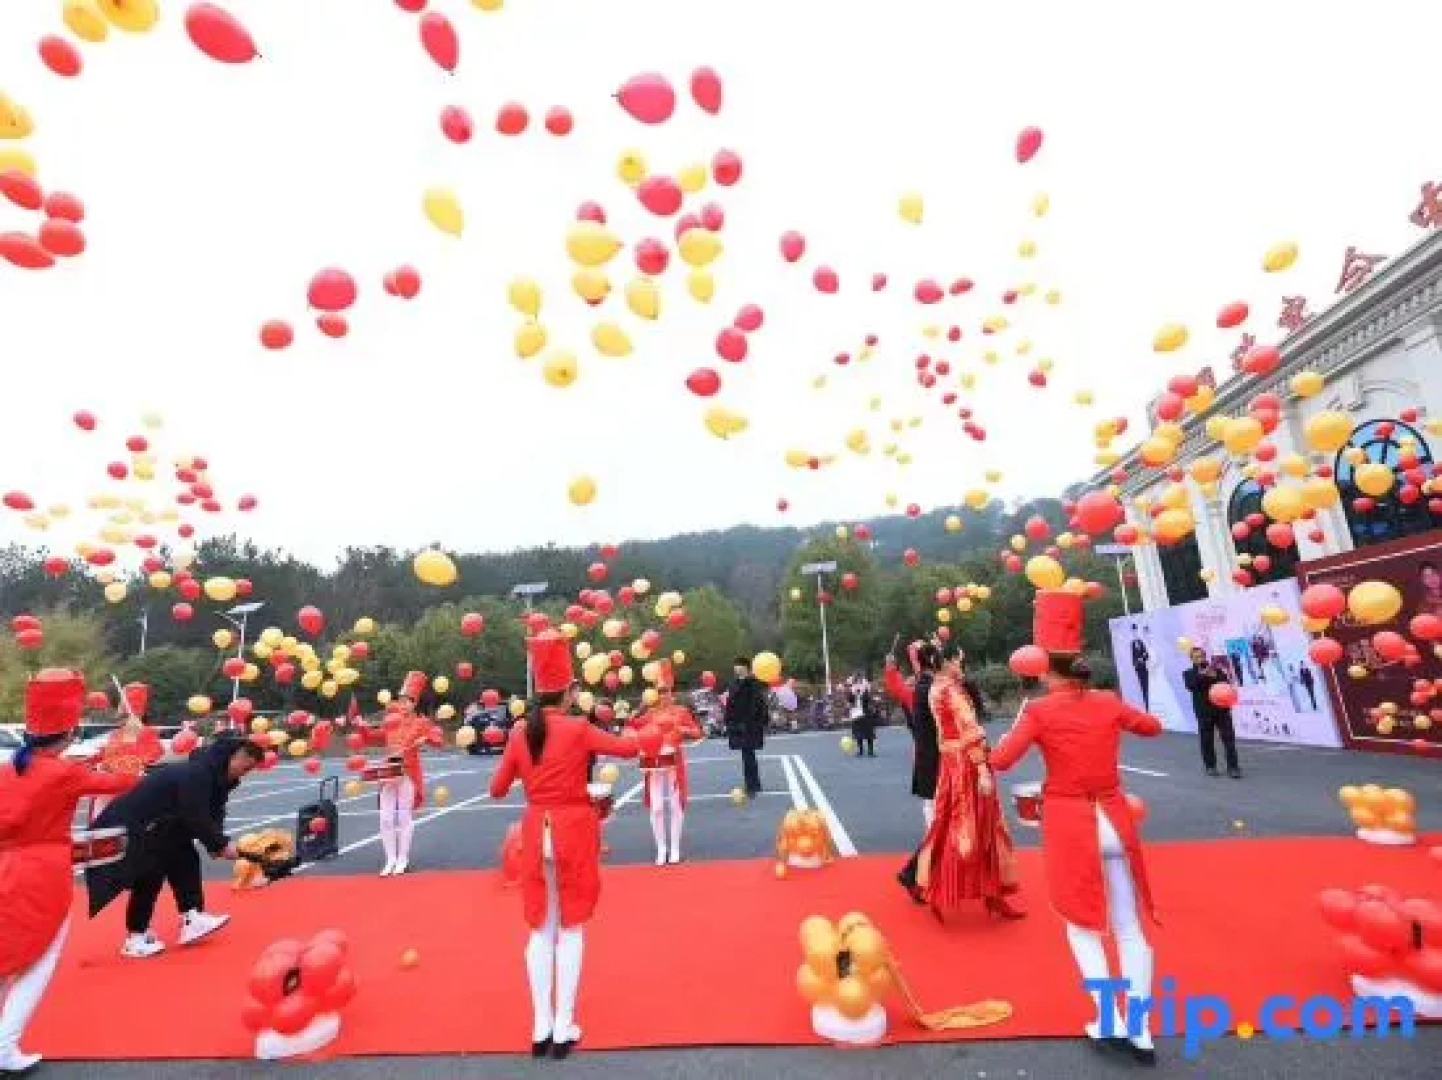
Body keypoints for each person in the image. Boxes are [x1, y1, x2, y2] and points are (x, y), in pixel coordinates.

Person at [991, 589, 1164, 1066]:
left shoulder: (1040, 711)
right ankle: (1142, 1029)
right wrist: (1114, 710)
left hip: (1073, 825)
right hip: (1115, 820)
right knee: (1130, 928)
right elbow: (1151, 727)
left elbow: (1001, 761)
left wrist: (1010, 731)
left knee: (1083, 927)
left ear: (1044, 666)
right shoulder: (1107, 701)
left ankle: (1107, 1020)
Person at [489, 630, 662, 1059]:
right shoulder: (577, 728)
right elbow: (626, 748)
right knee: (571, 927)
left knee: (540, 929)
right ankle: (564, 1027)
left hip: (535, 830)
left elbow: (496, 789)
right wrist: (650, 733)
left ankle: (540, 1027)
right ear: (568, 692)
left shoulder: (518, 733)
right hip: (572, 830)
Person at [1, 670, 141, 1074]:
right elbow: (123, 781)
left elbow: (76, 767)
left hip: (6, 868)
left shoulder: (13, 767)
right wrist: (130, 740)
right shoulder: (61, 773)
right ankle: (5, 1047)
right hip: (41, 874)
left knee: (6, 956)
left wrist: (112, 745)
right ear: (69, 732)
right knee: (37, 962)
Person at [86, 734, 263, 958]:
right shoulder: (197, 774)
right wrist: (221, 844)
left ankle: (192, 917)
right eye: (245, 764)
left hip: (161, 827)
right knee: (150, 876)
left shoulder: (216, 780)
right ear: (232, 756)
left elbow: (213, 812)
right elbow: (195, 814)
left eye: (250, 769)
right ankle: (136, 937)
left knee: (185, 857)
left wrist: (216, 845)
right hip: (134, 826)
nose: (245, 772)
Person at [905, 640, 1023, 920]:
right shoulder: (949, 690)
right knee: (972, 828)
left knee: (951, 825)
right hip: (966, 765)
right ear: (944, 662)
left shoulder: (936, 688)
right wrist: (982, 767)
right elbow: (970, 729)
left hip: (951, 764)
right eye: (958, 661)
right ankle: (949, 889)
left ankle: (983, 893)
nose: (961, 666)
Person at [365, 672, 444, 876]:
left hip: (408, 773)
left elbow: (438, 740)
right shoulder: (391, 720)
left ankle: (403, 857)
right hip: (388, 772)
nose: (403, 704)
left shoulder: (421, 722)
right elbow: (373, 737)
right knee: (385, 818)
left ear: (414, 703)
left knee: (404, 817)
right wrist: (360, 727)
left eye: (407, 701)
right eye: (400, 700)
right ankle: (390, 858)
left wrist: (425, 739)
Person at [627, 662, 702, 865]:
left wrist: (686, 731)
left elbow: (698, 732)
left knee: (676, 805)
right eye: (659, 691)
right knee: (657, 807)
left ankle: (675, 848)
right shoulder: (650, 713)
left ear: (672, 691)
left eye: (666, 691)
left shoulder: (681, 711)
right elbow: (630, 724)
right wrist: (640, 707)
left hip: (674, 763)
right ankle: (661, 848)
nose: (663, 695)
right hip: (653, 764)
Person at [884, 642, 940, 828]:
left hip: (930, 751)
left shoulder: (917, 693)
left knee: (932, 799)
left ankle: (936, 833)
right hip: (938, 750)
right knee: (936, 798)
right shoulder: (924, 692)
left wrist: (892, 668)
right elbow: (897, 685)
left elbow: (896, 685)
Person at [91, 682, 163, 820]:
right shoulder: (116, 733)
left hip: (129, 789)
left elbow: (152, 755)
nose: (119, 711)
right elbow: (107, 755)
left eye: (122, 705)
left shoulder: (146, 732)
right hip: (107, 786)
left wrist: (133, 740)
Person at [1182, 648, 1241, 778]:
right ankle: (1210, 766)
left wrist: (1215, 675)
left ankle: (1233, 767)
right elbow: (1191, 685)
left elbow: (1226, 683)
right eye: (1196, 657)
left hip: (1222, 710)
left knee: (1228, 738)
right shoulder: (1188, 673)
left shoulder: (1217, 671)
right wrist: (1204, 674)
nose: (1200, 659)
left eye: (1202, 656)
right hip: (1204, 711)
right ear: (1192, 659)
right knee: (1207, 740)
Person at [723, 657, 768, 797]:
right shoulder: (734, 683)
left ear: (745, 667)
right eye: (735, 665)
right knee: (746, 754)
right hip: (738, 724)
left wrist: (751, 721)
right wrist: (728, 721)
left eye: (739, 665)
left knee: (748, 754)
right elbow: (730, 704)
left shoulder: (753, 683)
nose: (736, 668)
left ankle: (752, 785)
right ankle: (753, 784)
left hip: (750, 724)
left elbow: (757, 704)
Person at [847, 674, 877, 756]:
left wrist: (865, 689)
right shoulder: (852, 690)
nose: (858, 683)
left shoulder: (866, 690)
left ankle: (870, 750)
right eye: (857, 681)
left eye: (860, 681)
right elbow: (849, 702)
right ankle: (860, 750)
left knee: (869, 732)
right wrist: (853, 693)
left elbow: (869, 700)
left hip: (865, 713)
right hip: (856, 713)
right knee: (858, 733)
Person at [1129, 626, 1150, 709]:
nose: (1135, 633)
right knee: (1143, 686)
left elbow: (1147, 654)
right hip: (1138, 668)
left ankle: (1149, 703)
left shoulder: (1142, 642)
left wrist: (1143, 659)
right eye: (1133, 631)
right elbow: (1133, 656)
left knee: (1148, 685)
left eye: (1136, 631)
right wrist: (1136, 662)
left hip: (1146, 668)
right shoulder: (1132, 644)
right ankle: (1146, 704)